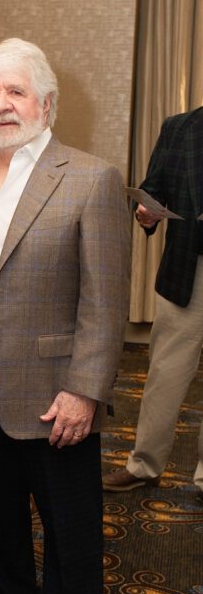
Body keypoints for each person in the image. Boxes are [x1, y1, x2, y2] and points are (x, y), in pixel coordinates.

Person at [0, 38, 130, 594]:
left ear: (45, 103)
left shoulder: (89, 177)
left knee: (69, 522)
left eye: (15, 92)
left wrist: (85, 388)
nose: (2, 105)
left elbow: (106, 299)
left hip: (57, 386)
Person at [103, 107, 203, 495]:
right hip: (188, 272)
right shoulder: (180, 128)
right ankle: (144, 464)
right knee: (166, 374)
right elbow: (153, 189)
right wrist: (146, 212)